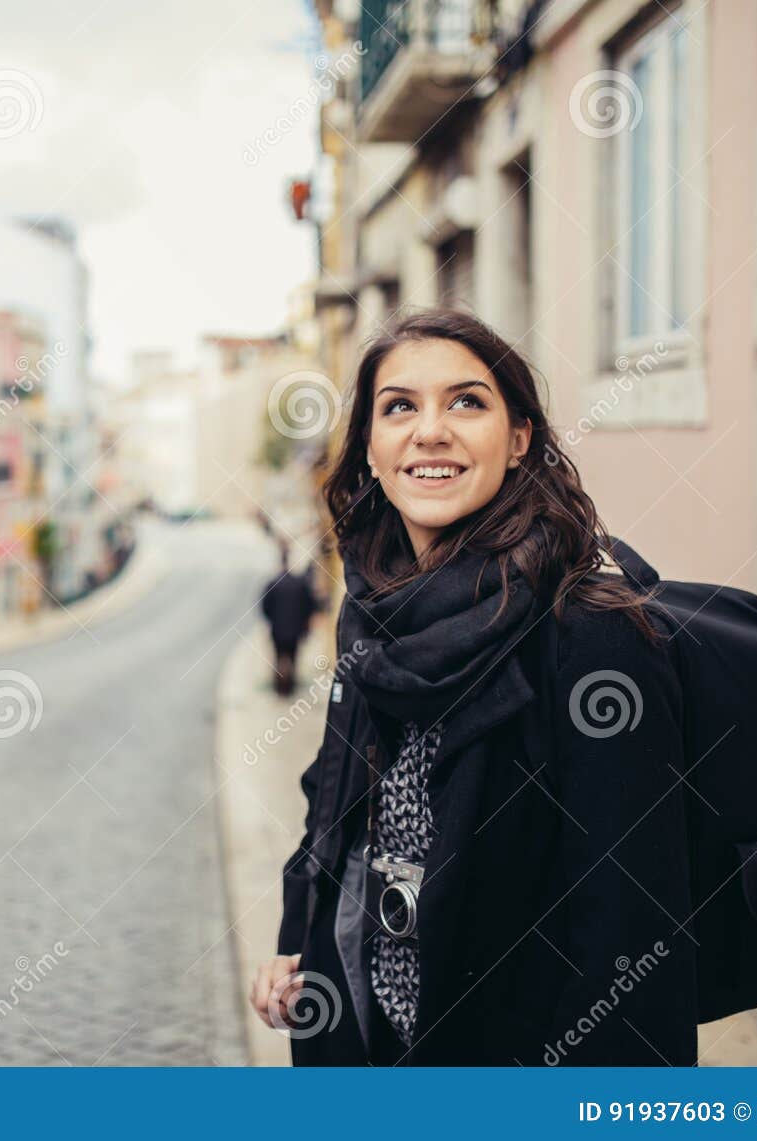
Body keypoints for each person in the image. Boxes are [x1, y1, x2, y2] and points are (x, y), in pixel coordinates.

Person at [248, 309, 698, 1066]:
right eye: (399, 406)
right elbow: (330, 799)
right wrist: (302, 944)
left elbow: (632, 934)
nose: (430, 431)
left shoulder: (591, 634)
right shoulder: (371, 612)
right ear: (369, 446)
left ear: (518, 437)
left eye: (466, 401)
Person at [259, 544, 318, 697]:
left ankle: (279, 687)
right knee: (293, 657)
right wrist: (303, 621)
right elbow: (310, 605)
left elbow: (264, 607)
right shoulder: (300, 584)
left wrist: (272, 620)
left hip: (278, 630)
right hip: (296, 630)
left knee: (279, 657)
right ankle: (290, 686)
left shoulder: (273, 584)